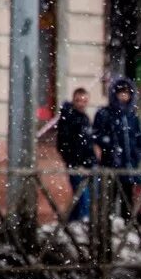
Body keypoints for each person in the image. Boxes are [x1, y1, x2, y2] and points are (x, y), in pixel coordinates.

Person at [93, 77, 141, 220]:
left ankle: (127, 226)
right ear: (114, 94)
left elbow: (139, 139)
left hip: (128, 165)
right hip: (111, 164)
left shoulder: (131, 116)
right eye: (120, 93)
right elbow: (97, 135)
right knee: (109, 196)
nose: (124, 96)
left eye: (127, 93)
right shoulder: (105, 113)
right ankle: (106, 226)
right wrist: (110, 146)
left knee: (127, 198)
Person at [43, 86, 95, 224]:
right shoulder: (69, 118)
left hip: (85, 163)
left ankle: (72, 222)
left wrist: (90, 160)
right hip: (75, 164)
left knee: (81, 196)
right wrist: (74, 161)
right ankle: (81, 222)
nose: (81, 104)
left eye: (84, 101)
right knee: (83, 196)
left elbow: (87, 143)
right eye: (78, 100)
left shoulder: (83, 118)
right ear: (74, 100)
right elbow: (64, 144)